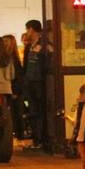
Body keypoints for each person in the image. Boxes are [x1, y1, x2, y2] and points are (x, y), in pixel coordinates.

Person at [21, 19, 51, 150]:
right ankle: (35, 139)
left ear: (32, 30)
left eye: (27, 29)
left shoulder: (45, 45)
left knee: (40, 111)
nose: (26, 32)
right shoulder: (30, 46)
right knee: (33, 111)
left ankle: (41, 139)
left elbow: (48, 63)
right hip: (30, 83)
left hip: (40, 83)